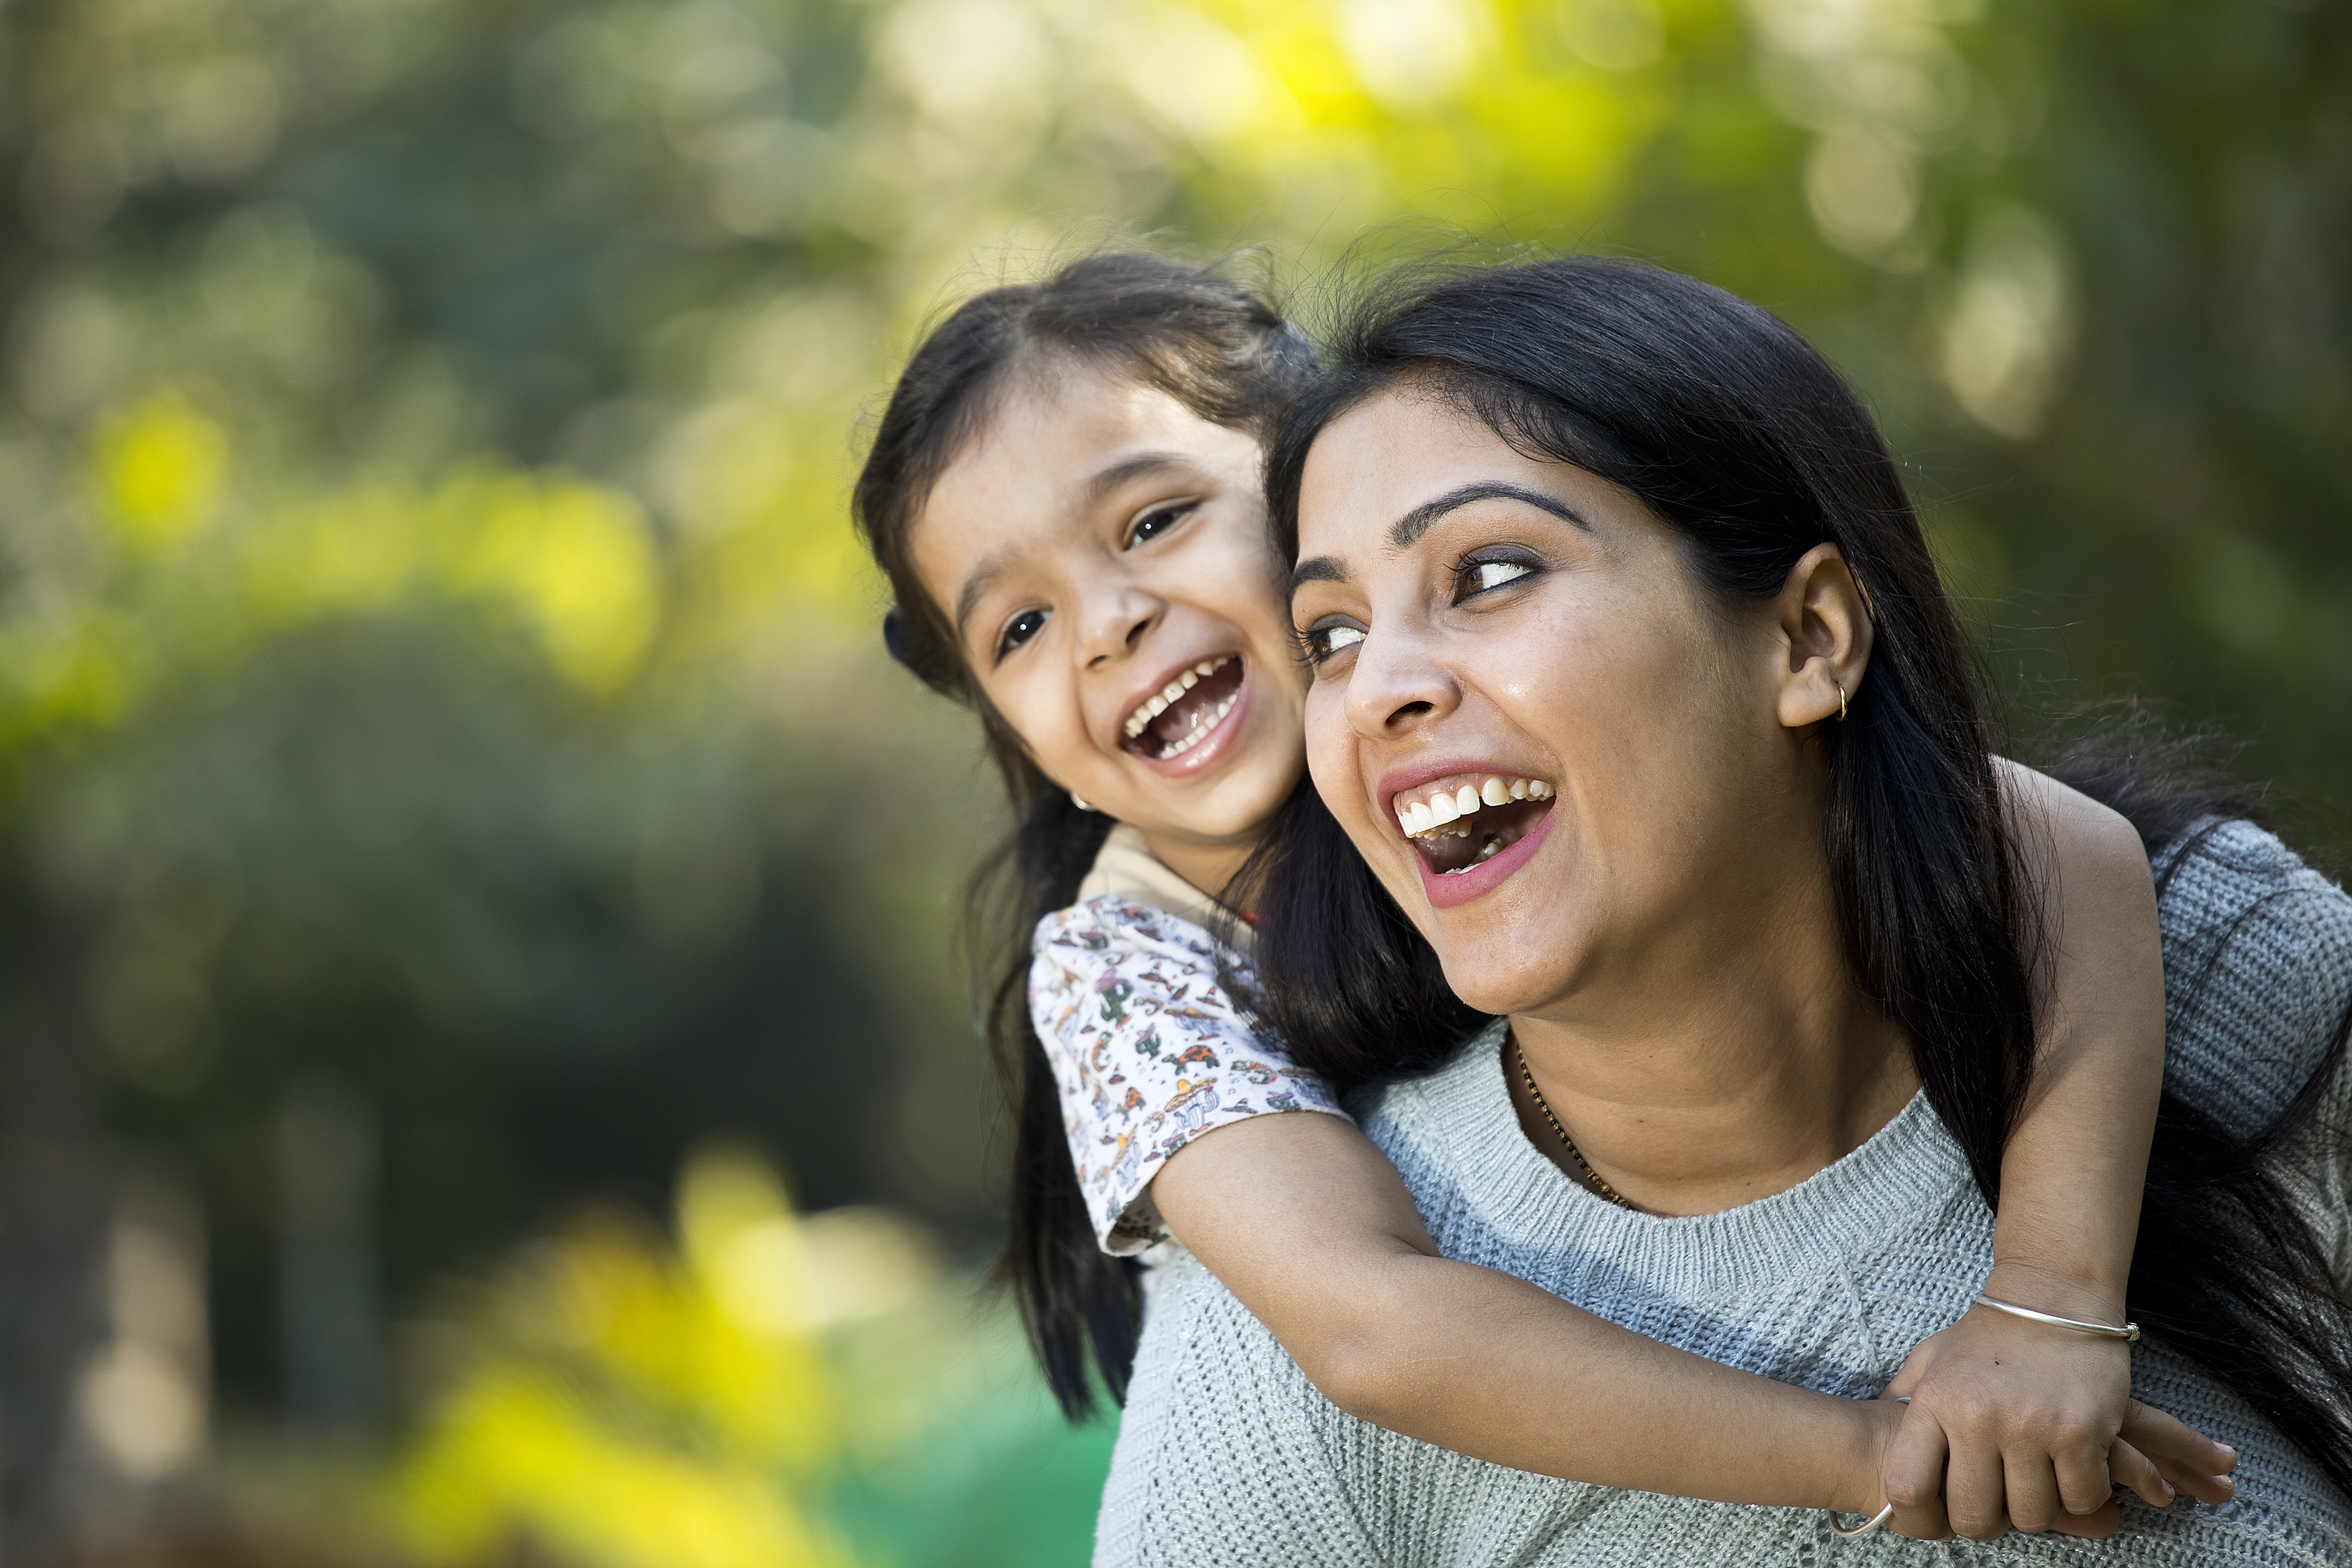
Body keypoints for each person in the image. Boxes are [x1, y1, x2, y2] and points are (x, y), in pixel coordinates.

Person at [851, 252, 2234, 1538]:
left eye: (1152, 521)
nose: (1109, 622)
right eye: (1018, 626)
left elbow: (2047, 841)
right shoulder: (1123, 966)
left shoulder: (1479, 720)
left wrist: (2049, 1299)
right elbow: (1373, 1327)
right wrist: (1867, 1452)